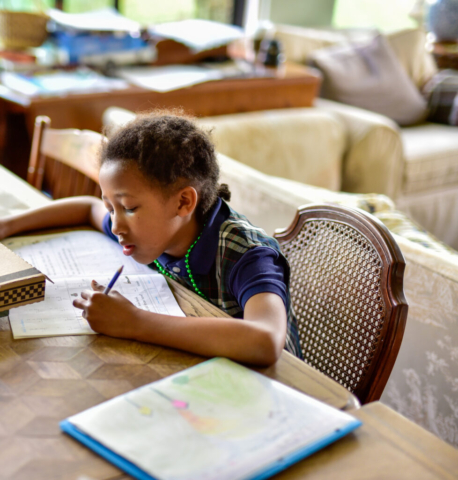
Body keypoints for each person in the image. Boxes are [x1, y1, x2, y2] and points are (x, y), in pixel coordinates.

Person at [0, 112, 301, 366]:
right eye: (111, 208)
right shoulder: (154, 230)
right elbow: (87, 208)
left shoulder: (248, 255)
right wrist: (8, 224)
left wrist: (133, 322)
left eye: (129, 208)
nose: (115, 225)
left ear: (183, 202)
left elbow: (265, 341)